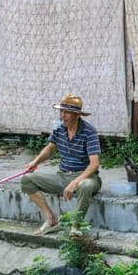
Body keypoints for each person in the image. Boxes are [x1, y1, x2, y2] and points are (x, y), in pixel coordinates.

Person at [21, 94, 102, 237]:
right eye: (61, 112)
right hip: (63, 176)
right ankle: (51, 219)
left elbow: (94, 165)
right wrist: (35, 162)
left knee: (85, 185)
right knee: (27, 180)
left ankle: (75, 226)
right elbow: (50, 148)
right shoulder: (59, 129)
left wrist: (75, 182)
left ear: (77, 115)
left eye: (67, 112)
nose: (62, 115)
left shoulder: (89, 131)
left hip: (86, 176)